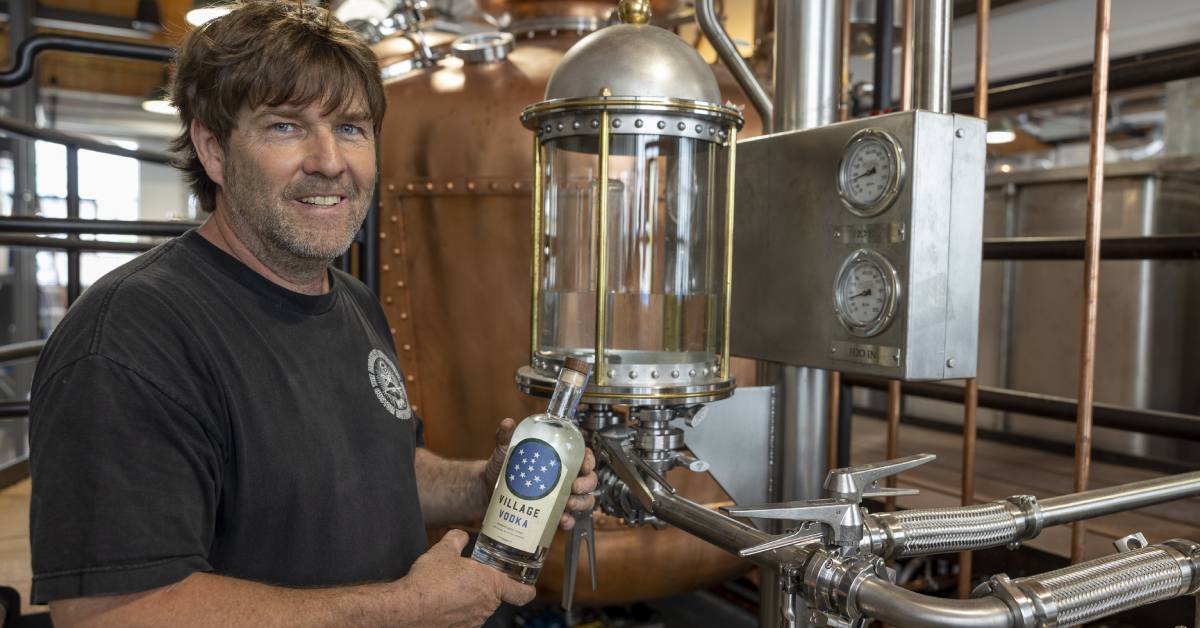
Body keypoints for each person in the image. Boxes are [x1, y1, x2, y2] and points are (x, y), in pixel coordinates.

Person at [26, 2, 597, 626]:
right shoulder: (133, 338)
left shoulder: (350, 301)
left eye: (351, 127)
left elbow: (384, 467)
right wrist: (403, 609)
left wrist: (482, 488)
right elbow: (111, 613)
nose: (330, 160)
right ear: (213, 149)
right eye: (286, 126)